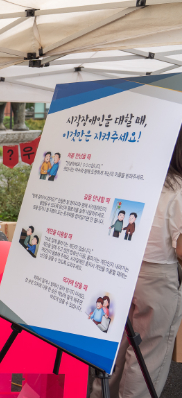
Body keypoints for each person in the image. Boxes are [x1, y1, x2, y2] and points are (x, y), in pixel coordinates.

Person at [91, 127, 182, 398]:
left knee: (118, 345)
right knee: (148, 354)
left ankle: (101, 394)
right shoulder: (178, 190)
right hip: (158, 276)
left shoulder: (137, 180)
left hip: (123, 268)